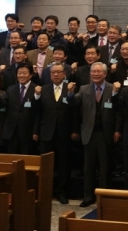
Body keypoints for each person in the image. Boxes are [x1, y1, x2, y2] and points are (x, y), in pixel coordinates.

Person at [67, 62, 120, 208]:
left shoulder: (112, 88)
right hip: (89, 133)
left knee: (105, 168)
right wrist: (70, 93)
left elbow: (119, 110)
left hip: (105, 133)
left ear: (105, 73)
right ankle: (88, 196)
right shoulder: (84, 89)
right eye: (93, 72)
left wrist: (117, 130)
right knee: (88, 168)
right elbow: (73, 103)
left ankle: (104, 197)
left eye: (98, 71)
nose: (95, 74)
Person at [34, 63, 76, 205]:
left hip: (64, 133)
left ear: (64, 74)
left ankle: (61, 193)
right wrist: (36, 131)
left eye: (58, 72)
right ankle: (46, 192)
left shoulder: (70, 88)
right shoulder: (43, 89)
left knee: (64, 165)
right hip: (46, 133)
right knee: (46, 165)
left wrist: (74, 130)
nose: (56, 75)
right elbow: (38, 112)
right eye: (53, 72)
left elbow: (75, 112)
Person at [2, 63, 38, 155]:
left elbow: (38, 112)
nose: (21, 75)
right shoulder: (10, 89)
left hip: (28, 132)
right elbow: (2, 105)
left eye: (24, 73)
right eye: (19, 73)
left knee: (27, 159)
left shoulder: (36, 89)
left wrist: (36, 131)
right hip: (11, 132)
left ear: (31, 75)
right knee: (11, 158)